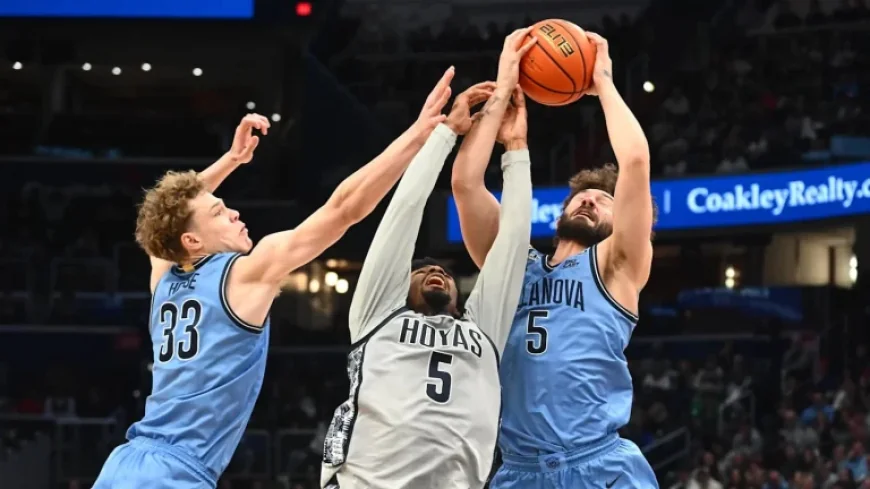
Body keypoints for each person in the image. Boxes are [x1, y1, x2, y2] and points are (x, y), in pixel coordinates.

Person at [92, 69, 455, 489]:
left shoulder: (165, 276)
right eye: (219, 214)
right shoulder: (242, 275)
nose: (234, 213)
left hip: (125, 464)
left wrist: (231, 161)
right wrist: (416, 136)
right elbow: (342, 210)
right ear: (192, 240)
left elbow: (162, 222)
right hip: (174, 474)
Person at [320, 29, 536, 489]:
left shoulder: (484, 329)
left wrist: (516, 150)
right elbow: (404, 211)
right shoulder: (377, 313)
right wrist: (445, 135)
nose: (437, 270)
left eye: (443, 271)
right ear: (402, 286)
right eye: (422, 271)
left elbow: (513, 243)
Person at [451, 32, 659, 488]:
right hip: (519, 470)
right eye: (582, 197)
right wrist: (503, 93)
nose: (589, 202)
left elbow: (637, 162)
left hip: (599, 464)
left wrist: (602, 80)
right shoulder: (511, 265)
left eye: (603, 201)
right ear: (561, 211)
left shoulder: (616, 267)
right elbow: (466, 185)